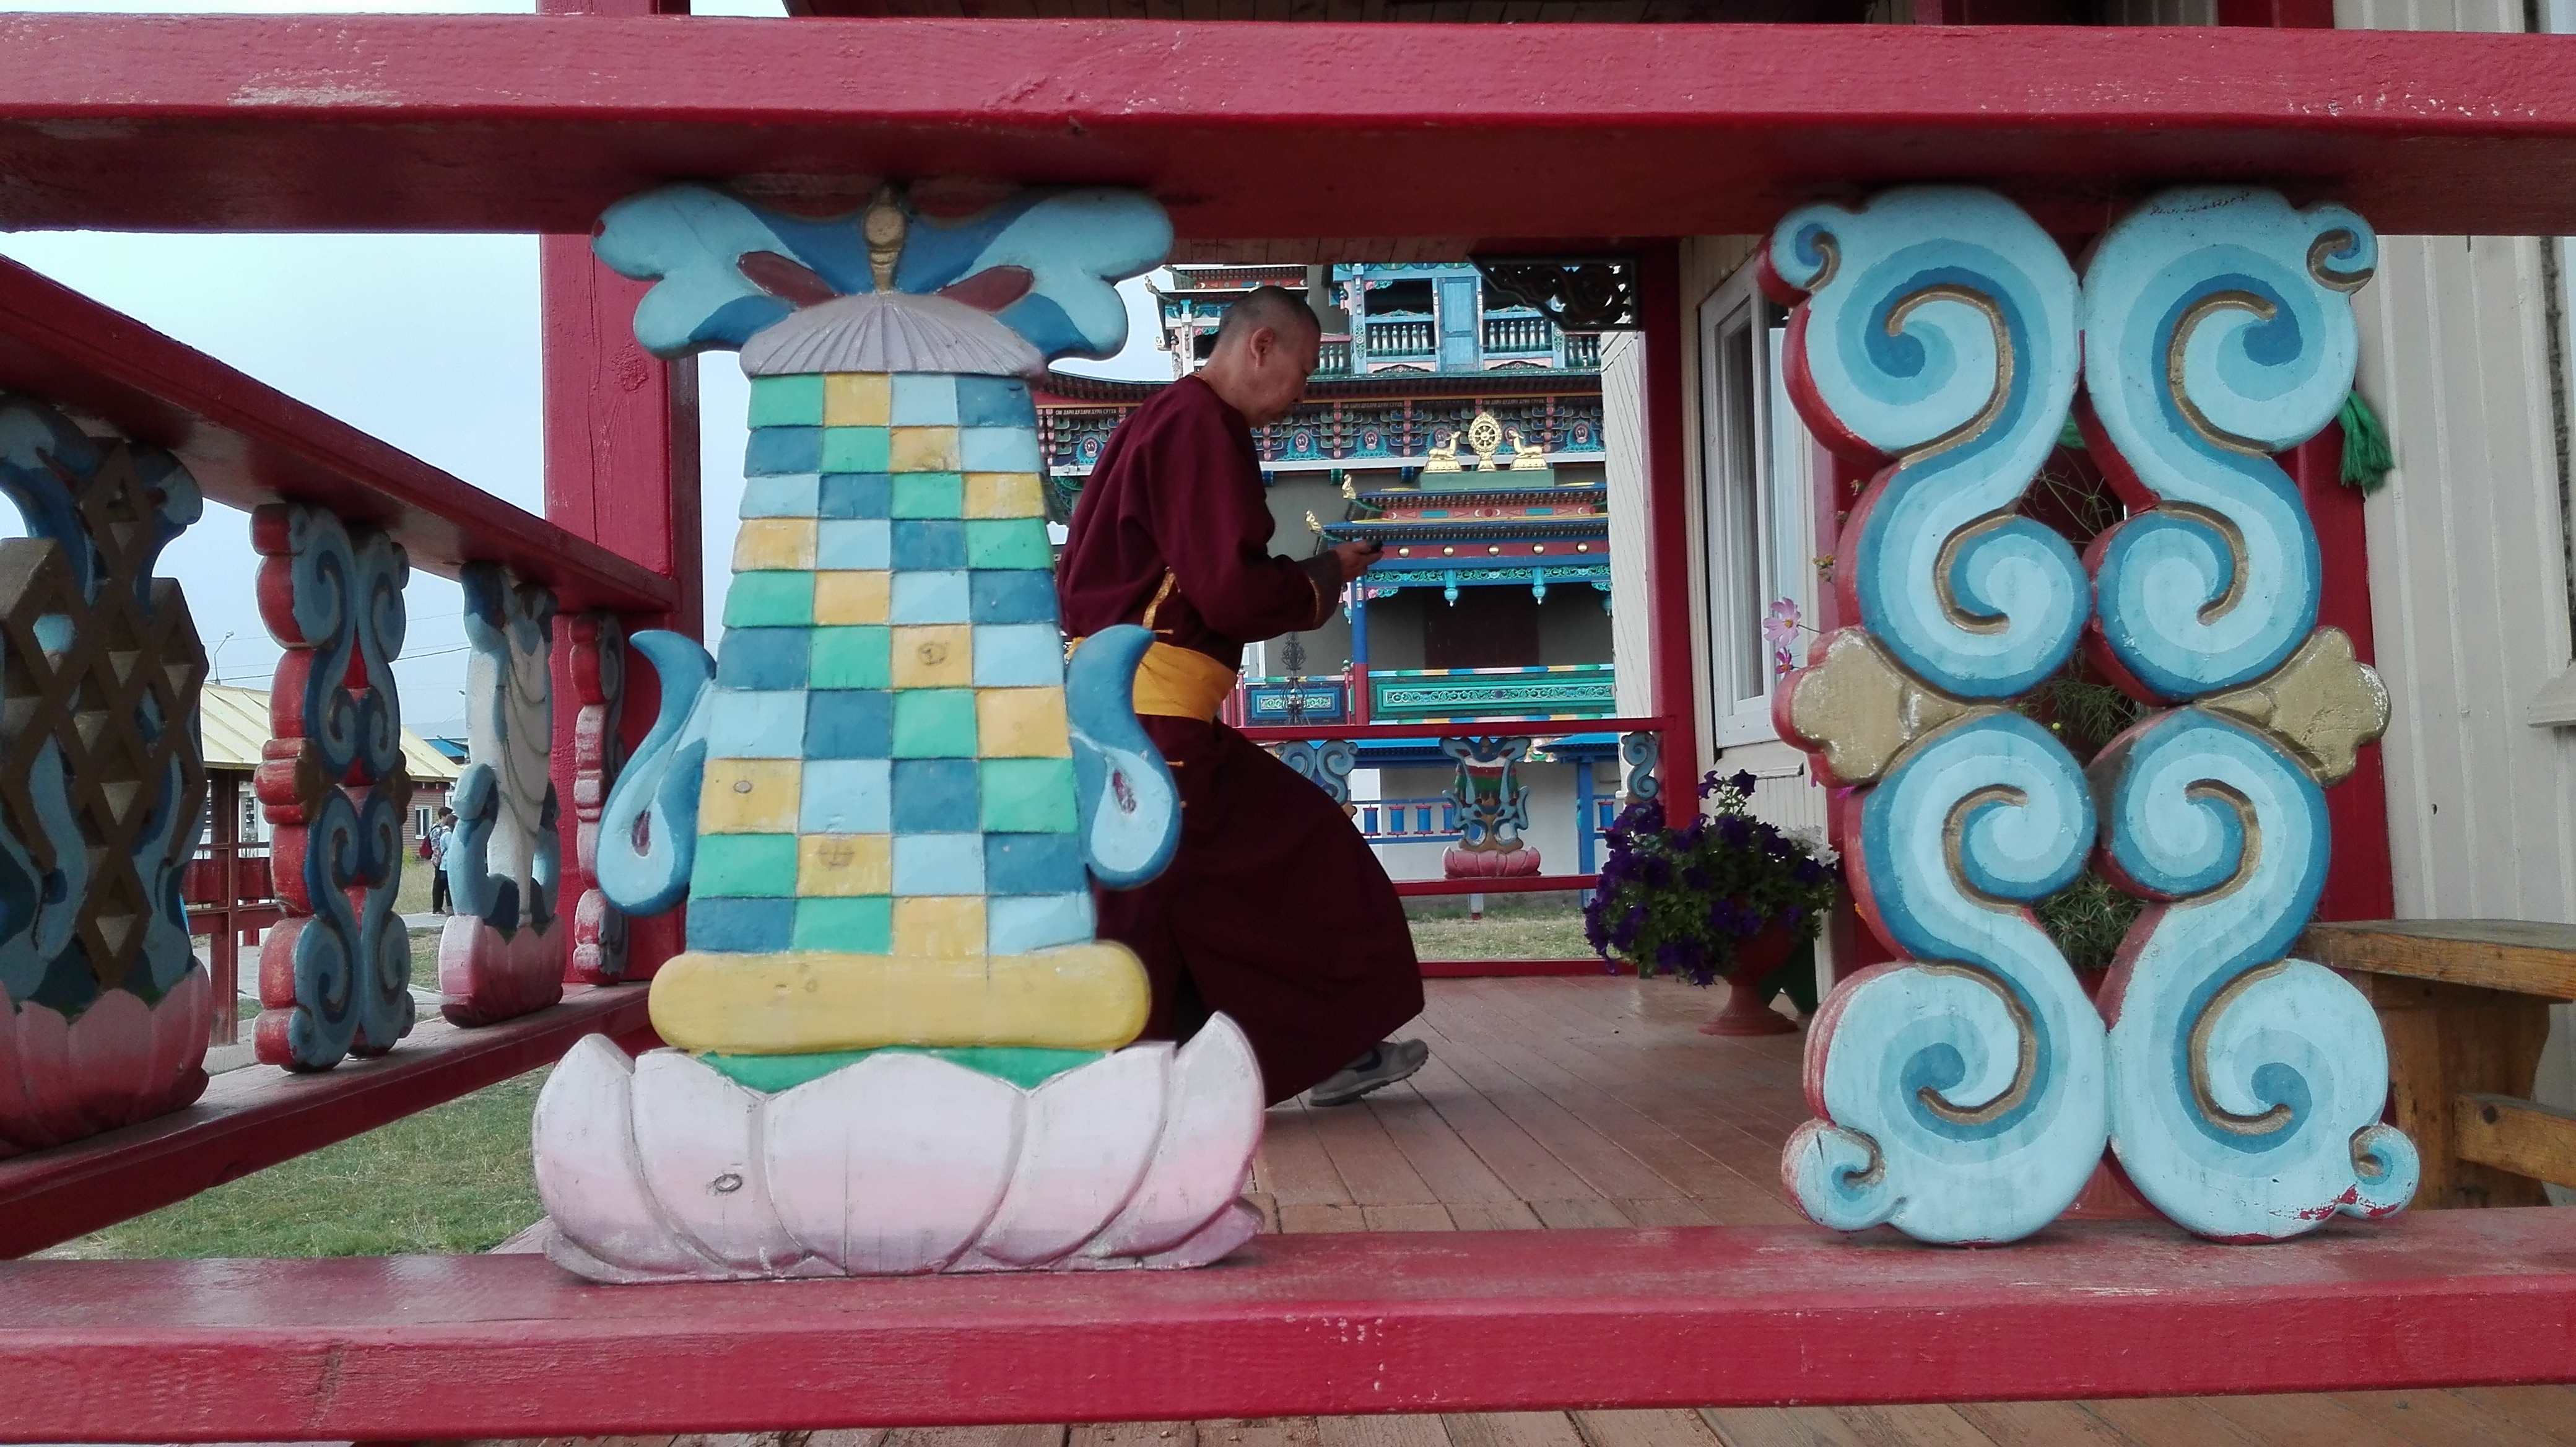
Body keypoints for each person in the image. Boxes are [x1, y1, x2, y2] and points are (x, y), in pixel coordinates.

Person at [1058, 284, 1429, 1108]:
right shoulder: (1202, 424)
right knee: (1264, 868)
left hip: (1122, 713)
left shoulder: (1157, 419)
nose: (1303, 393)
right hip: (1157, 728)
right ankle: (1119, 1085)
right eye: (1305, 369)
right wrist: (1323, 576)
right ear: (1261, 346)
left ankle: (1293, 1055)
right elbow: (1229, 593)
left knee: (1191, 895)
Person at [429, 808, 455, 914]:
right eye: (449, 815)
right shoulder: (438, 829)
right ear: (444, 816)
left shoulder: (442, 829)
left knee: (441, 883)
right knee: (439, 883)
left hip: (440, 859)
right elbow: (435, 845)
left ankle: (439, 907)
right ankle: (437, 907)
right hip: (440, 859)